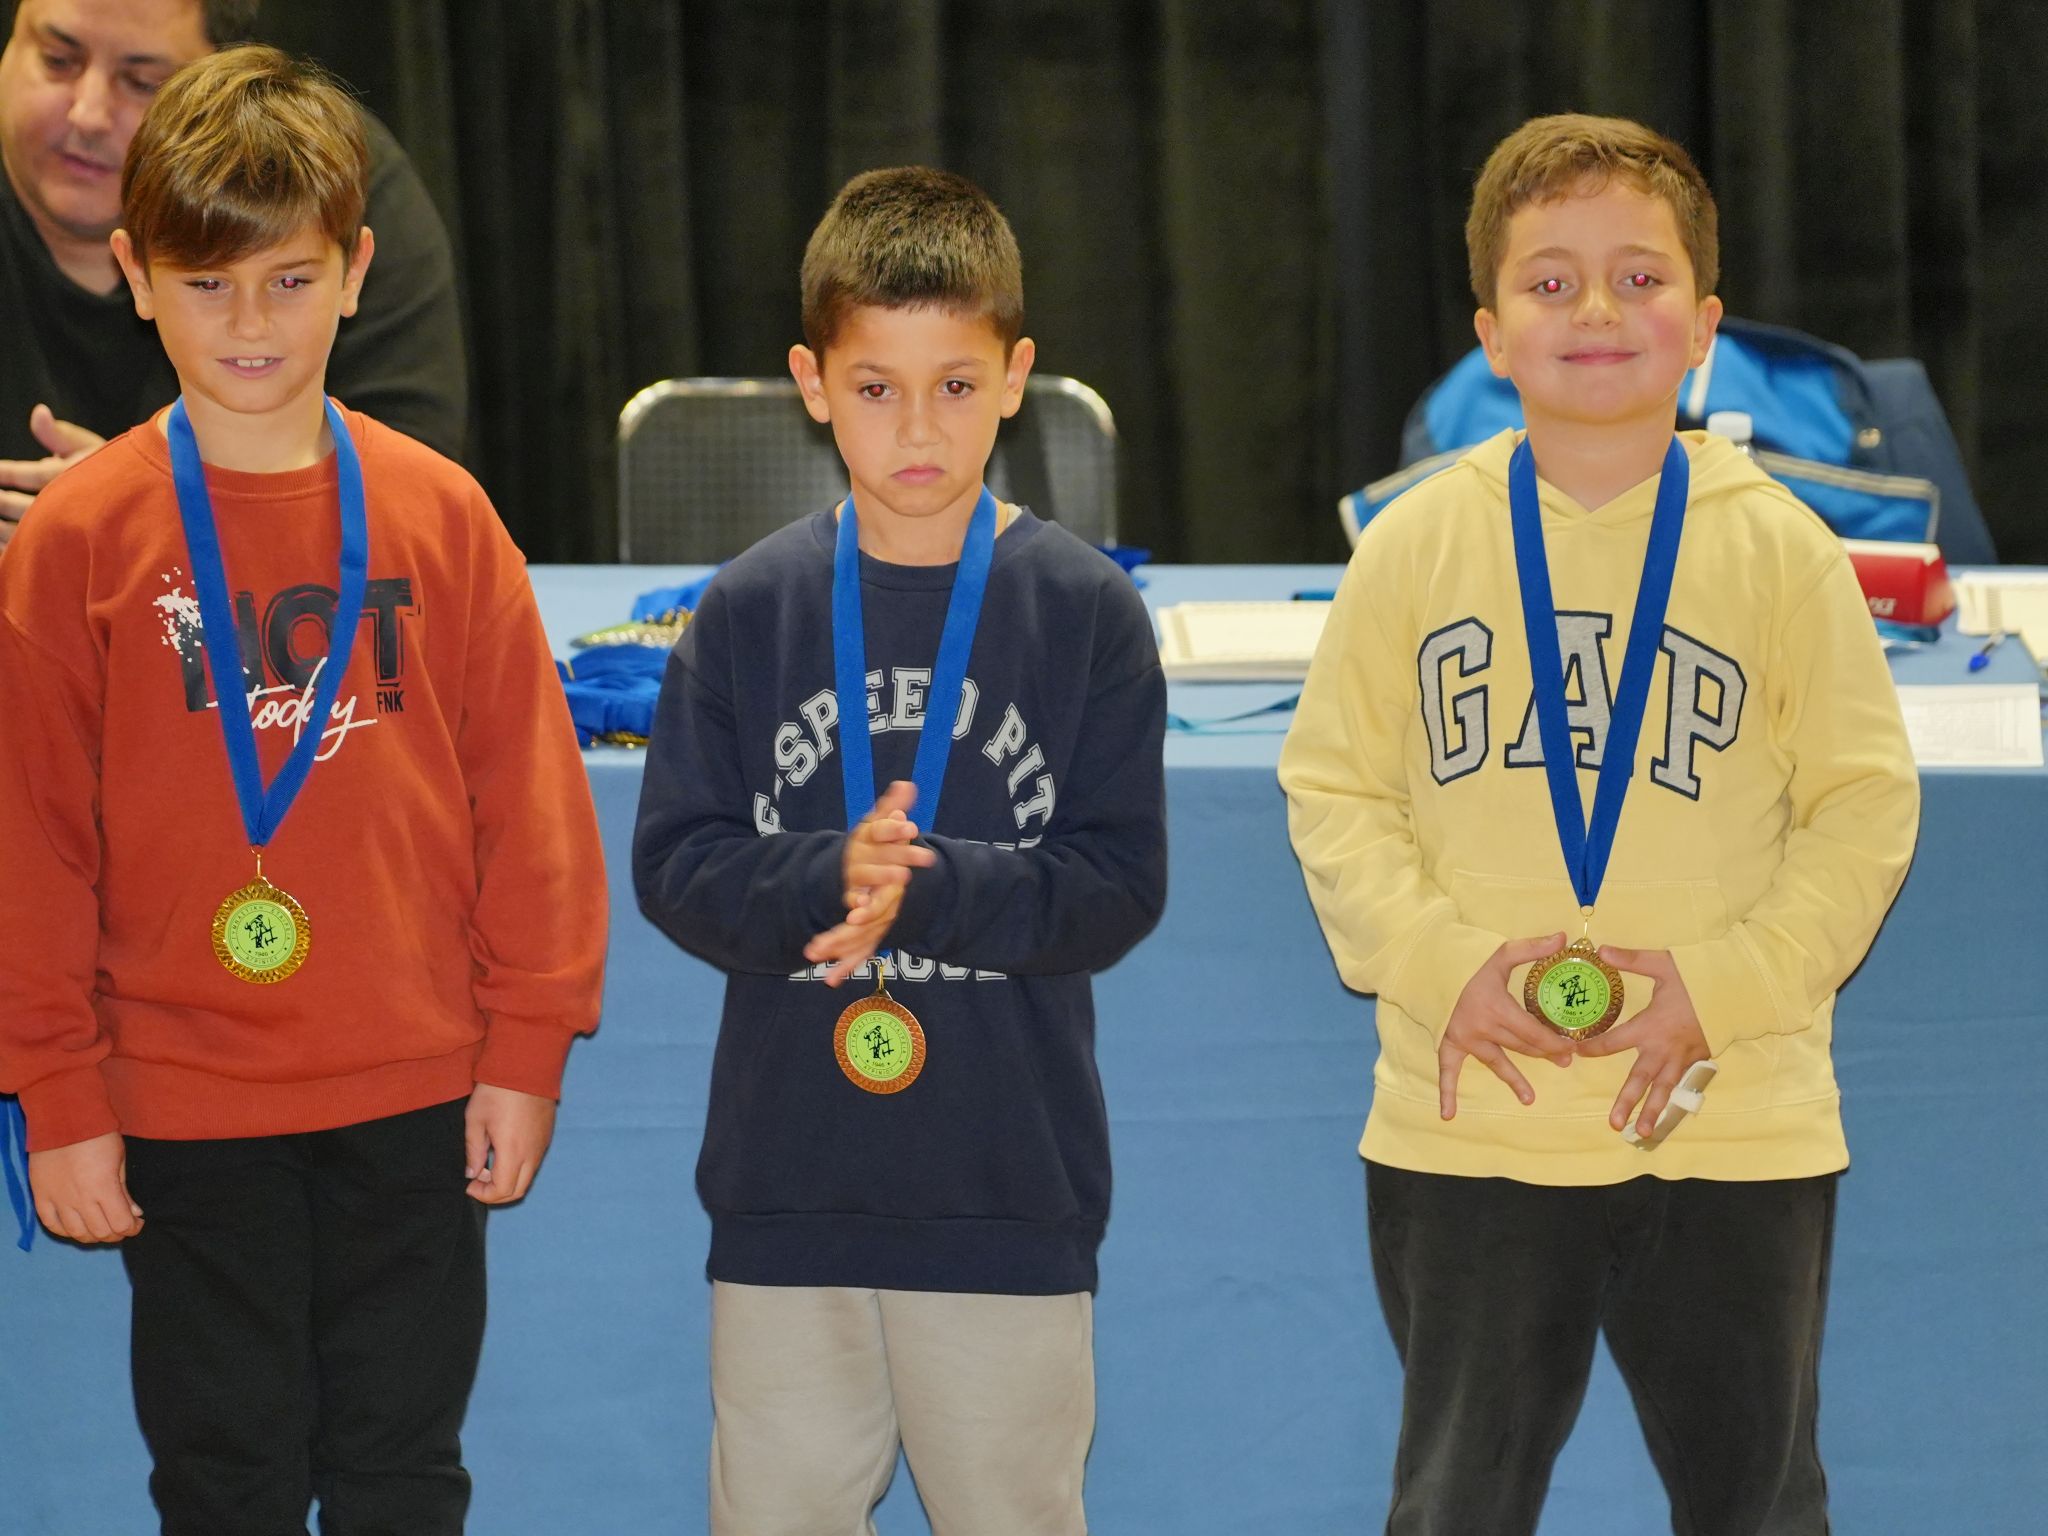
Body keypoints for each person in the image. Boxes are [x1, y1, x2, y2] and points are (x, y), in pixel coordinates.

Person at [1279, 113, 1920, 1535]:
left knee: (1758, 1505)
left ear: (1704, 325)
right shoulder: (1411, 546)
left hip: (1731, 1114)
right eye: (1549, 282)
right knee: (1456, 1502)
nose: (1595, 312)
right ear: (1489, 337)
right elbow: (1333, 793)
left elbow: (1865, 810)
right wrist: (1441, 966)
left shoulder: (1782, 552)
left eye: (1638, 279)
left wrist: (1726, 987)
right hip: (1476, 1123)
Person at [0, 45, 602, 1535]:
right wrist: (55, 1089)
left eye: (289, 280)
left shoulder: (441, 515)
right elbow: (29, 843)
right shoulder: (78, 540)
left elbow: (530, 805)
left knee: (403, 1473)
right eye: (208, 285)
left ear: (356, 274)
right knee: (224, 1480)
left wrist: (526, 1046)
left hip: (413, 1086)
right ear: (137, 279)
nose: (251, 323)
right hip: (182, 1098)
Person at [632, 165, 1166, 1535]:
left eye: (955, 384)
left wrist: (924, 887)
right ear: (812, 383)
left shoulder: (1085, 614)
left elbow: (1116, 887)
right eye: (876, 387)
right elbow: (677, 865)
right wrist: (827, 875)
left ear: (1016, 379)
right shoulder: (747, 612)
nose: (917, 426)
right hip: (787, 1193)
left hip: (1006, 1188)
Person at [0, 0, 466, 554]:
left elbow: (412, 498)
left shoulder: (315, 183)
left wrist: (144, 521)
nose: (87, 113)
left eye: (143, 83)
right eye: (57, 60)